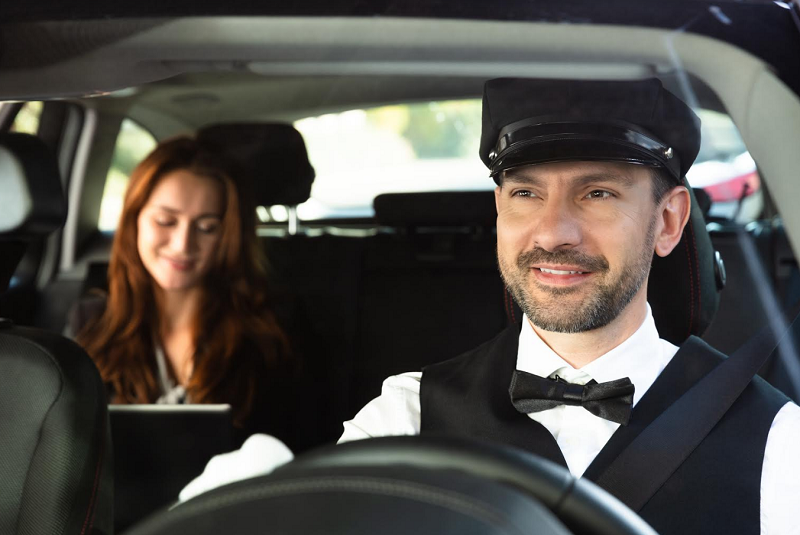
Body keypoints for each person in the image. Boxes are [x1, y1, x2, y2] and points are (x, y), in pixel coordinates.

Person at [181, 78, 800, 534]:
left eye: (598, 193)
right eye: (526, 193)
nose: (553, 232)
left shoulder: (775, 439)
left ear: (667, 221)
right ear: (499, 211)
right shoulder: (405, 415)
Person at [71, 136, 299, 446]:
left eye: (207, 227)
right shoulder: (90, 322)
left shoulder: (268, 333)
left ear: (229, 236)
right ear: (134, 220)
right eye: (166, 221)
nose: (182, 245)